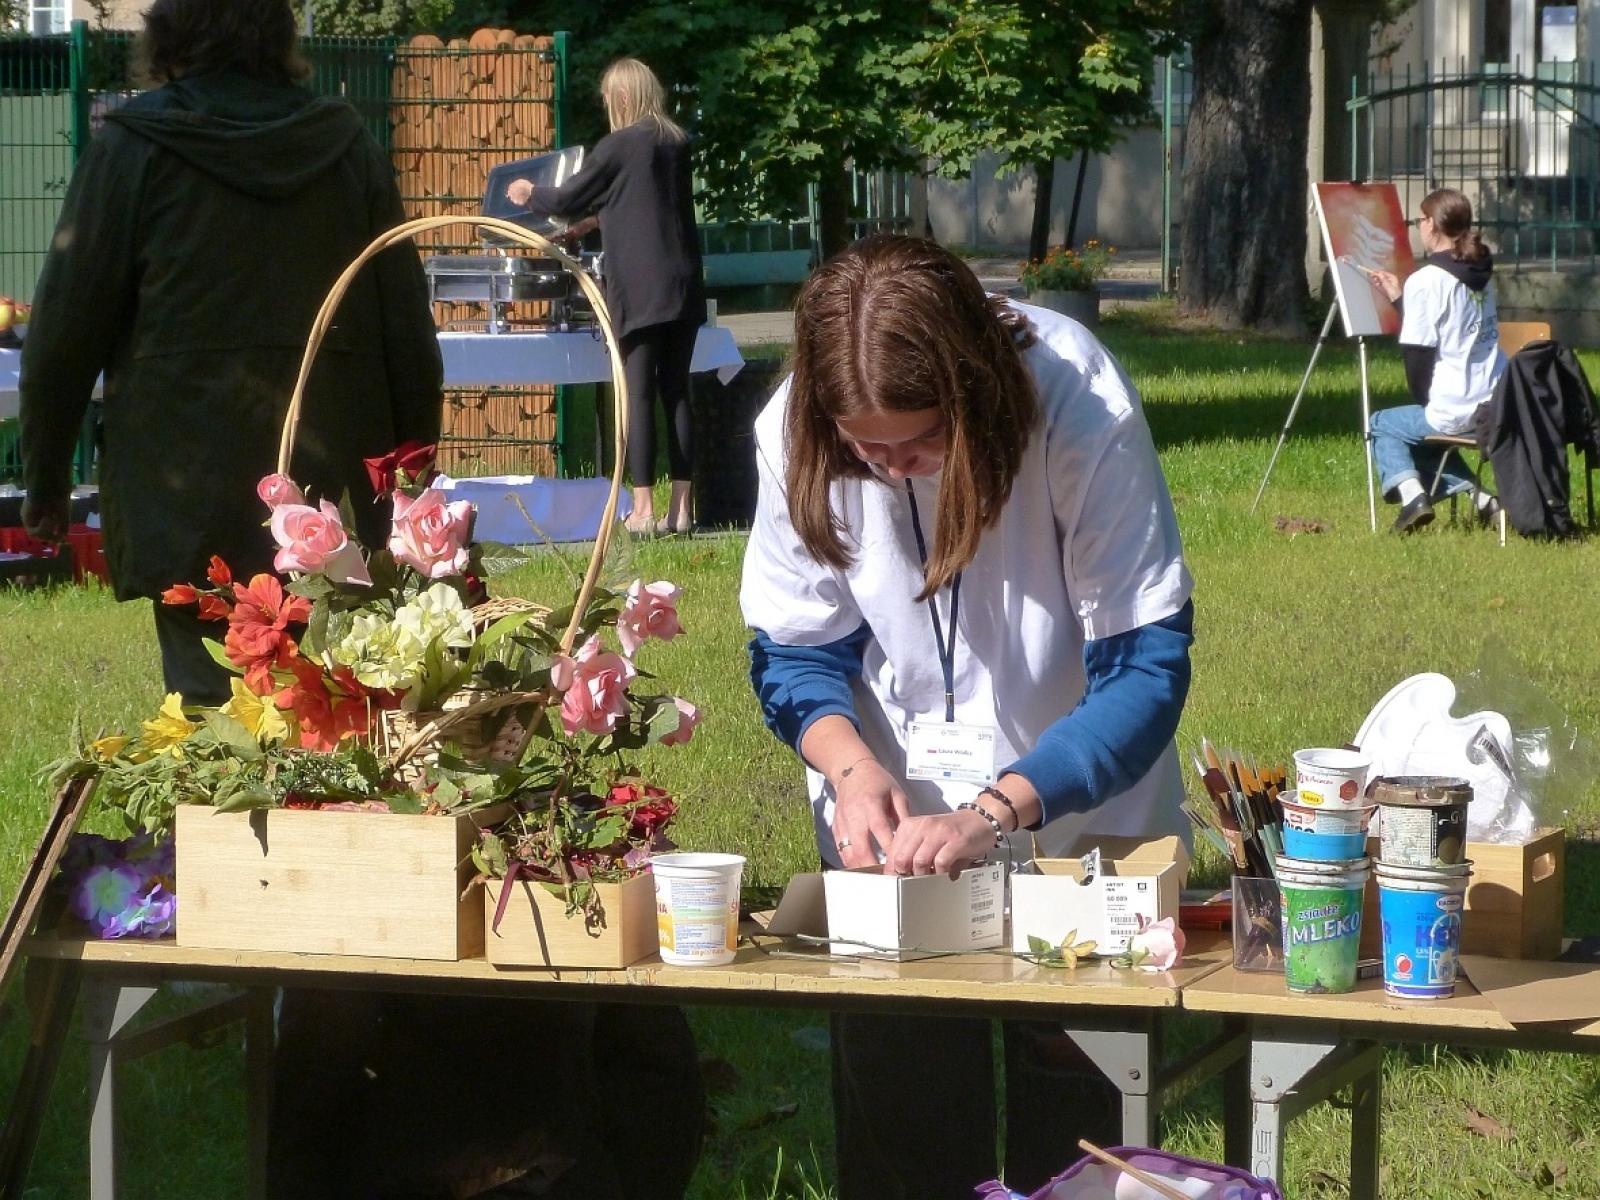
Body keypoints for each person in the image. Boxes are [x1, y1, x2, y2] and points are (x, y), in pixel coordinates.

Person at [740, 235, 1195, 1199]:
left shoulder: (1076, 396)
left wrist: (999, 809)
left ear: (976, 392)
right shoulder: (793, 430)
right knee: (902, 1129)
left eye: (919, 443)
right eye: (865, 450)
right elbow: (793, 650)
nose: (893, 469)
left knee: (1077, 1152)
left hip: (1079, 825)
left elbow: (1144, 667)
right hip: (895, 851)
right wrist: (851, 770)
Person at [19, 0, 442, 706]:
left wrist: (45, 479)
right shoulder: (346, 146)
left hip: (184, 476)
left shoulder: (132, 148)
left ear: (166, 35)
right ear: (279, 35)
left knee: (210, 710)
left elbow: (66, 329)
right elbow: (405, 326)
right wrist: (413, 475)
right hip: (328, 480)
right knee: (332, 708)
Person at [506, 57, 705, 536]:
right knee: (677, 391)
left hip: (640, 286)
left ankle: (643, 509)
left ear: (622, 98)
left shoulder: (619, 145)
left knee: (638, 393)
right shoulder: (676, 141)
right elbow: (639, 203)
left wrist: (529, 191)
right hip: (683, 281)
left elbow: (567, 198)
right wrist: (586, 227)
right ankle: (682, 509)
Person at [1368, 187, 1508, 533]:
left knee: (1382, 424)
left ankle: (1413, 498)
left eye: (1419, 219)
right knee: (1422, 441)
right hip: (1497, 402)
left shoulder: (1427, 280)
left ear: (1432, 224)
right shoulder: (1480, 271)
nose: (1418, 226)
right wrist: (1400, 298)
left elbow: (1417, 354)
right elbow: (1450, 327)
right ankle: (1483, 500)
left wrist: (1426, 402)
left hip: (1456, 405)